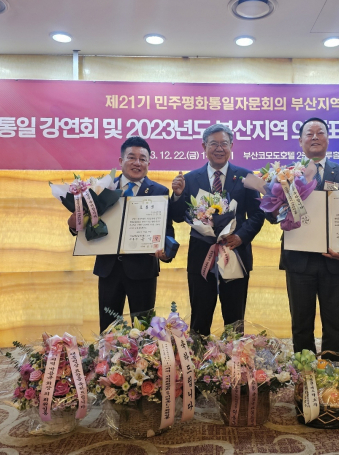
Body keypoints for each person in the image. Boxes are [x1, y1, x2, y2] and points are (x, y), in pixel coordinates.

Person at [68, 137, 173, 333]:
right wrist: (75, 225)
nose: (137, 163)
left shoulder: (159, 191)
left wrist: (166, 252)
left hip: (143, 270)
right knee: (109, 329)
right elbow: (86, 223)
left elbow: (166, 229)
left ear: (149, 163)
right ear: (120, 161)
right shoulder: (101, 189)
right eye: (131, 157)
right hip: (109, 269)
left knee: (143, 330)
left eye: (142, 159)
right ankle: (108, 355)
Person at [170, 123, 265, 336]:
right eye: (214, 144)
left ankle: (235, 356)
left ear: (232, 146)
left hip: (235, 254)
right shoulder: (189, 179)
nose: (219, 148)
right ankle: (199, 356)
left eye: (224, 143)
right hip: (201, 259)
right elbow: (176, 216)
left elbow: (258, 214)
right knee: (199, 319)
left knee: (234, 321)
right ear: (204, 146)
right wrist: (177, 195)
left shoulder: (246, 176)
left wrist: (241, 236)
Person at [276, 117, 339, 358]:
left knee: (335, 319)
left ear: (328, 139)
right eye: (308, 133)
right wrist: (280, 208)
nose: (314, 137)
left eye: (320, 132)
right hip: (298, 258)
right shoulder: (286, 175)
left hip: (333, 257)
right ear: (300, 141)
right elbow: (272, 216)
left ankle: (334, 369)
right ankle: (305, 370)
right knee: (301, 320)